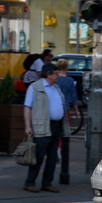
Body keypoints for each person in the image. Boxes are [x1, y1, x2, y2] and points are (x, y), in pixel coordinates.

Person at [23, 63, 70, 193]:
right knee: (38, 156)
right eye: (56, 73)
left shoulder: (56, 88)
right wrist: (27, 126)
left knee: (52, 156)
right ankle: (30, 182)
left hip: (56, 126)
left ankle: (47, 183)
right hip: (42, 126)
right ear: (48, 74)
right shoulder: (35, 87)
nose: (58, 76)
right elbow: (27, 107)